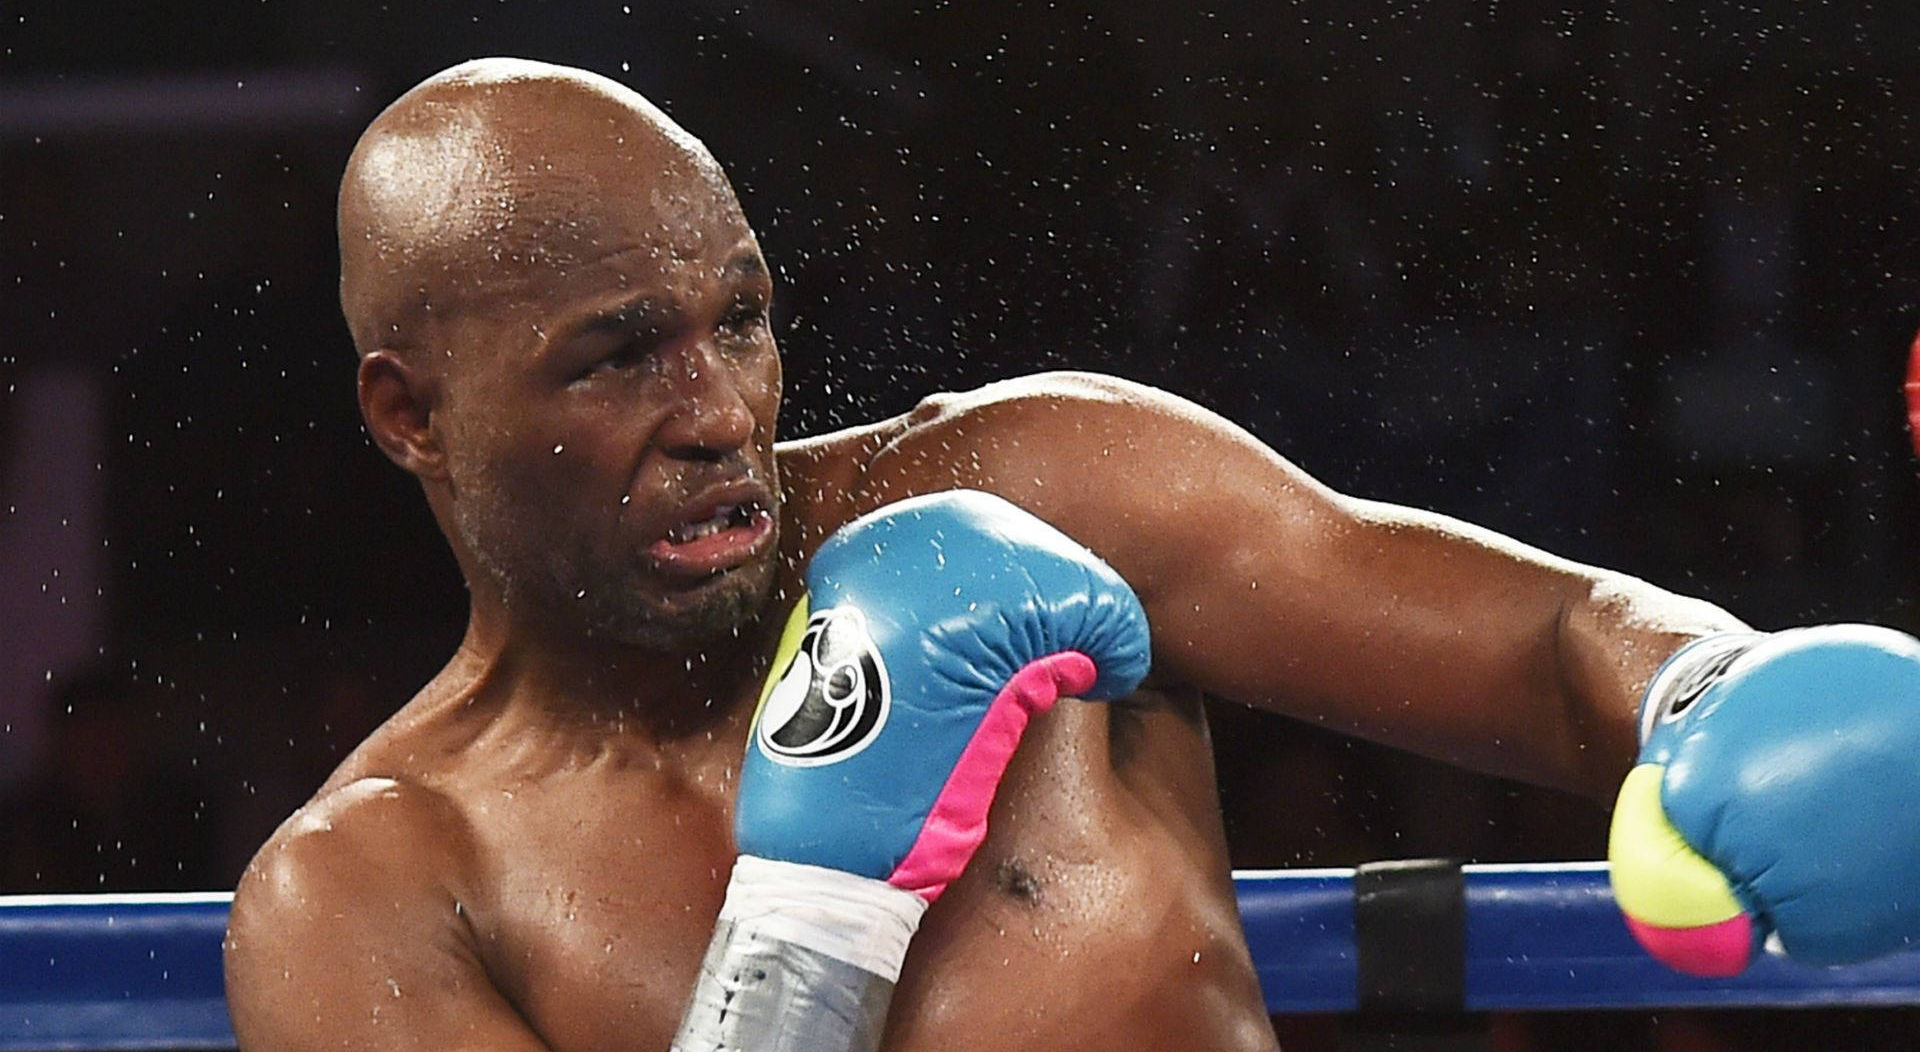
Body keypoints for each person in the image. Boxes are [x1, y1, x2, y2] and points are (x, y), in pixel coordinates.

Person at [223, 58, 1920, 1051]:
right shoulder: (370, 893)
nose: (718, 410)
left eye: (741, 320)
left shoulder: (1039, 485)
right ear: (411, 414)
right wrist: (811, 938)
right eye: (618, 355)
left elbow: (1547, 644)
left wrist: (1713, 681)